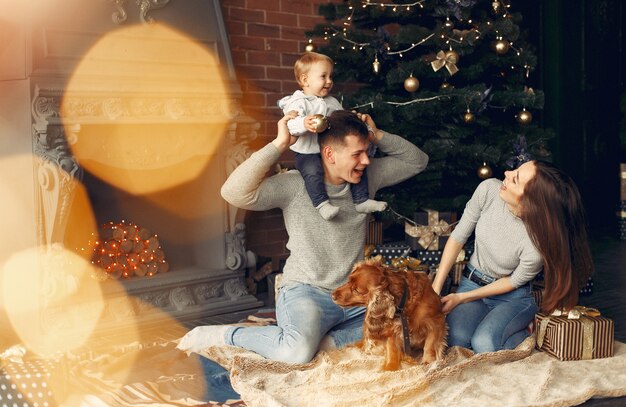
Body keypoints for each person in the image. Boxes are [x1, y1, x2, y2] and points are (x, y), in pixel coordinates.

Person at [177, 110, 429, 364]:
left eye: (367, 152)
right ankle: (228, 334)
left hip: (353, 295)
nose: (365, 160)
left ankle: (325, 342)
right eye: (357, 154)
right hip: (306, 291)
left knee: (405, 326)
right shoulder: (295, 185)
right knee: (295, 353)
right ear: (330, 154)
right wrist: (279, 144)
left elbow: (417, 161)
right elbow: (233, 192)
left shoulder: (367, 179)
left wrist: (378, 135)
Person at [431, 160, 594, 353]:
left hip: (511, 297)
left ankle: (526, 332)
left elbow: (513, 281)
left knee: (484, 344)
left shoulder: (536, 245)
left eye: (515, 179)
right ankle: (491, 325)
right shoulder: (488, 189)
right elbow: (458, 237)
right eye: (515, 169)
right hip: (472, 282)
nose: (507, 173)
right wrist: (435, 289)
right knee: (455, 339)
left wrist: (461, 298)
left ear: (529, 202)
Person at [278, 51, 387, 220]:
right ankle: (321, 204)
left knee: (358, 164)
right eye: (323, 76)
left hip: (331, 150)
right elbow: (290, 124)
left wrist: (350, 118)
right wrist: (303, 123)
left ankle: (361, 200)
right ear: (305, 80)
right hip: (308, 152)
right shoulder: (297, 102)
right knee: (312, 172)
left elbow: (340, 121)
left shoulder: (331, 101)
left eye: (330, 76)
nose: (329, 81)